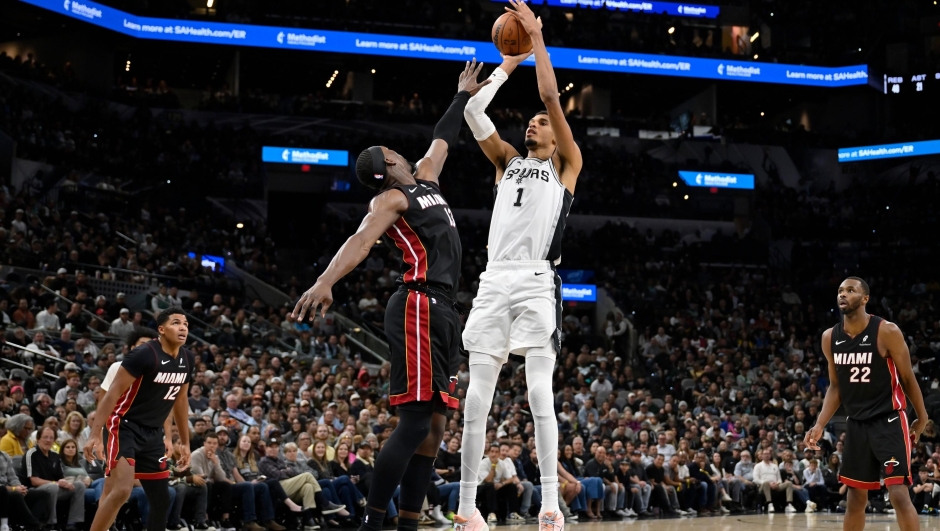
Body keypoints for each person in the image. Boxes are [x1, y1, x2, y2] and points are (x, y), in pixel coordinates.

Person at [292, 60, 490, 531]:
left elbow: (445, 136)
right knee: (417, 422)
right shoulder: (390, 200)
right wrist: (326, 280)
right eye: (391, 151)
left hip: (443, 310)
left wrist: (461, 94)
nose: (400, 150)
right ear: (388, 167)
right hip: (417, 304)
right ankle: (372, 520)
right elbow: (360, 241)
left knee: (435, 429)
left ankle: (407, 522)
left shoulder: (426, 177)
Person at [456, 2, 584, 531]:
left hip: (536, 279)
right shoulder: (506, 162)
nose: (533, 123)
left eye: (539, 123)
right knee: (474, 401)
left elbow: (551, 96)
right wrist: (506, 64)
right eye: (529, 121)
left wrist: (536, 41)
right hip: (493, 279)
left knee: (537, 393)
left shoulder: (565, 165)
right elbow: (472, 114)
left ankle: (550, 505)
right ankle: (466, 509)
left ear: (554, 137)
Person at [805, 277, 929, 531]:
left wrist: (922, 416)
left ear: (864, 299)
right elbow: (836, 387)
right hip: (857, 424)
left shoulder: (887, 331)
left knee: (898, 494)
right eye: (840, 291)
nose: (843, 295)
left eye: (850, 290)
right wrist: (819, 425)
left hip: (890, 420)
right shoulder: (830, 337)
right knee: (855, 498)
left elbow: (907, 377)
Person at [83, 309, 195, 531]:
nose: (183, 327)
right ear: (161, 330)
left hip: (152, 433)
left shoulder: (187, 358)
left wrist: (185, 442)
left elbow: (180, 401)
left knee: (162, 498)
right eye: (176, 323)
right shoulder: (144, 354)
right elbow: (111, 394)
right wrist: (95, 434)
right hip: (123, 425)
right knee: (122, 490)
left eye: (186, 324)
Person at [25, 427, 86, 530]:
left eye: (51, 438)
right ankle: (50, 524)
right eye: (45, 437)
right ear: (38, 439)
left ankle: (73, 523)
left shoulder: (55, 456)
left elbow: (60, 478)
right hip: (34, 490)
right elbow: (34, 481)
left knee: (79, 486)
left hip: (54, 488)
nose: (48, 440)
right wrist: (55, 483)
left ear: (54, 440)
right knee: (53, 487)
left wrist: (64, 482)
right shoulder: (32, 454)